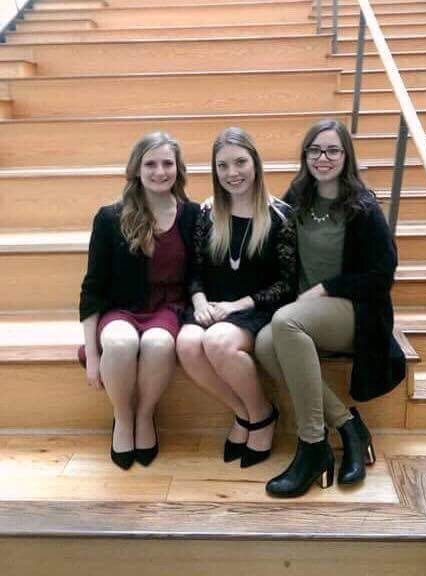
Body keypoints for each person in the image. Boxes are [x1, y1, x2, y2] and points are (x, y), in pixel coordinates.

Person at [255, 119, 406, 496]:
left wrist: (324, 289)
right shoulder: (297, 198)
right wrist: (218, 204)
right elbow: (263, 223)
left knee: (285, 323)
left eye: (332, 150)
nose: (323, 158)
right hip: (305, 314)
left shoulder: (363, 206)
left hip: (355, 313)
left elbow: (381, 275)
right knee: (263, 343)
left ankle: (312, 446)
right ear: (306, 155)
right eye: (315, 150)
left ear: (346, 156)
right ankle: (348, 425)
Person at [176, 127, 296, 468]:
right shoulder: (207, 212)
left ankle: (261, 414)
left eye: (240, 162)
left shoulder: (281, 216)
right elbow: (194, 269)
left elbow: (288, 283)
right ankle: (247, 414)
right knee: (186, 344)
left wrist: (238, 305)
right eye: (223, 165)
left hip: (257, 308)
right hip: (212, 306)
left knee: (217, 342)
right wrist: (199, 301)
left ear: (255, 162)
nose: (232, 173)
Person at [79, 132, 199, 470]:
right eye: (150, 164)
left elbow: (198, 274)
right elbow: (92, 288)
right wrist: (92, 355)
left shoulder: (192, 215)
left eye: (167, 163)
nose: (160, 171)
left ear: (178, 169)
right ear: (136, 169)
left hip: (169, 307)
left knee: (158, 344)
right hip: (121, 309)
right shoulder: (109, 217)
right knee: (120, 343)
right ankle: (123, 416)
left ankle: (145, 415)